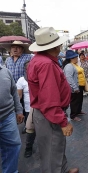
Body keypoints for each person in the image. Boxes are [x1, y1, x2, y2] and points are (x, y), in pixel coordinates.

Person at [27, 27, 78, 173]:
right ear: (55, 46)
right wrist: (62, 121)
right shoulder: (46, 64)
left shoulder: (41, 60)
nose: (60, 46)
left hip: (47, 114)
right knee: (52, 151)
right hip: (50, 115)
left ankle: (62, 169)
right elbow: (49, 100)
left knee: (56, 148)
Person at [0, 65, 24, 173]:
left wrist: (19, 110)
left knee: (13, 146)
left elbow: (14, 92)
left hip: (8, 116)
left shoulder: (5, 71)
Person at [16, 61, 36, 158]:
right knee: (30, 130)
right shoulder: (21, 80)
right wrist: (17, 110)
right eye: (29, 67)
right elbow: (19, 95)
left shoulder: (40, 76)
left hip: (40, 108)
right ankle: (28, 148)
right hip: (29, 109)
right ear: (25, 69)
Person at [63, 50, 87, 122]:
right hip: (74, 87)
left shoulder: (74, 64)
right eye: (76, 58)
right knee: (74, 101)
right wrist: (75, 87)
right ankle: (73, 115)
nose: (77, 59)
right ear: (71, 59)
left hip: (78, 84)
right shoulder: (69, 66)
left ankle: (78, 111)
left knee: (79, 99)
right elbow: (69, 78)